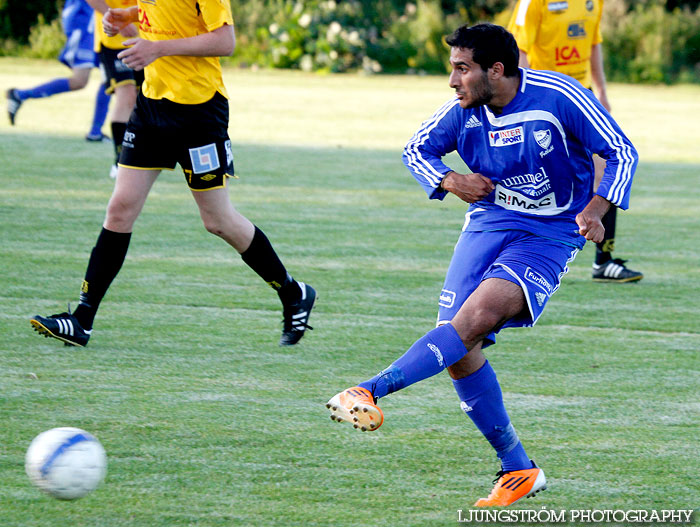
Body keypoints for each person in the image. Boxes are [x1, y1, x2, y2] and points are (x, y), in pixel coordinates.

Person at [326, 23, 638, 507]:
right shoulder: (463, 113)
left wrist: (596, 210)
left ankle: (368, 389)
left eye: (461, 69)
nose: (453, 81)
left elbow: (620, 150)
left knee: (472, 322)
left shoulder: (559, 96)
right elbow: (416, 149)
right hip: (489, 222)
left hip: (550, 234)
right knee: (457, 346)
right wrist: (451, 179)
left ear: (497, 70)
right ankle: (518, 468)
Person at [30, 1, 316, 348]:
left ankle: (292, 291)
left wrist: (157, 48)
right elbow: (166, 9)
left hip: (199, 113)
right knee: (120, 208)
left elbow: (225, 41)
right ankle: (82, 319)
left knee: (218, 220)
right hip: (151, 108)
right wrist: (129, 15)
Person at [508, 0, 643, 283]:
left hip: (584, 95)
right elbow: (520, 51)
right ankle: (520, 253)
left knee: (607, 168)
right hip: (547, 98)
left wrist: (602, 92)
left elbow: (593, 44)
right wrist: (526, 101)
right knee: (541, 177)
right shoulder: (532, 3)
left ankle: (604, 261)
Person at [6, 0, 111, 140]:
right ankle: (20, 95)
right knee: (81, 80)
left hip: (94, 24)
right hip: (85, 24)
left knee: (111, 78)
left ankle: (96, 131)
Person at [86, 0, 140, 178]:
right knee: (127, 95)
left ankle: (141, 156)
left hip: (145, 38)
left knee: (143, 98)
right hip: (113, 41)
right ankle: (120, 161)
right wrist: (116, 19)